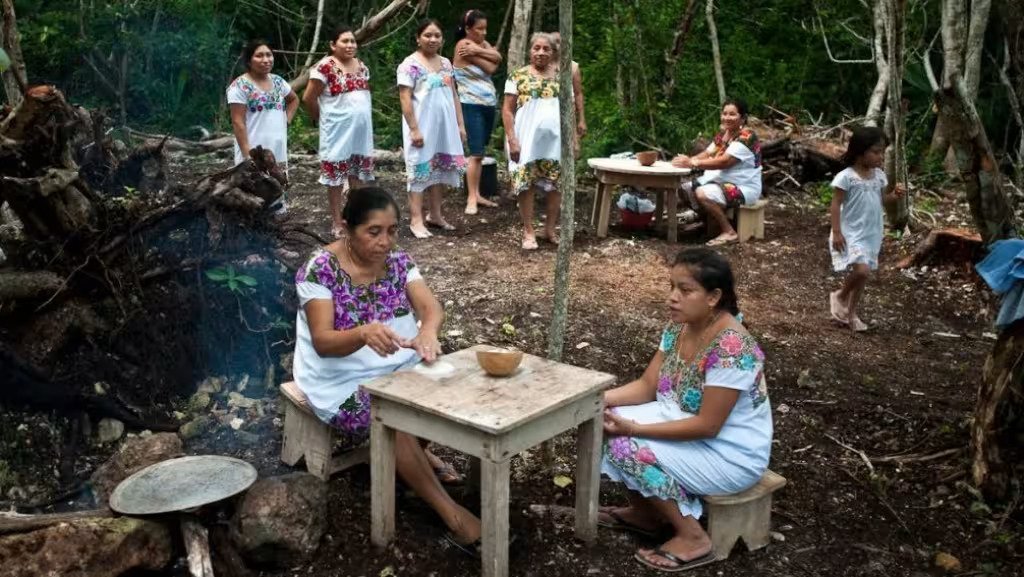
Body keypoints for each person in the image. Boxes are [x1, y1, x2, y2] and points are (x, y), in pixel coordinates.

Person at [292, 187, 479, 540]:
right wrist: (362, 334)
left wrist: (428, 332)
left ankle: (414, 461)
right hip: (339, 382)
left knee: (452, 387)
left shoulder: (398, 262)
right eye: (373, 231)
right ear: (347, 228)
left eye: (392, 231)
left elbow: (430, 307)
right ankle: (452, 516)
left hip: (399, 366)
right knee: (393, 415)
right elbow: (323, 342)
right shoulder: (320, 271)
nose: (385, 241)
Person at [598, 247, 772, 572]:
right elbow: (648, 386)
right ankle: (646, 515)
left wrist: (634, 429)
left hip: (730, 454)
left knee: (625, 445)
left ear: (713, 297)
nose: (673, 298)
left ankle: (693, 537)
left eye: (686, 289)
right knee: (602, 421)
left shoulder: (731, 349)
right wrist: (597, 400)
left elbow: (708, 426)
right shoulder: (680, 327)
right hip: (684, 425)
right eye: (671, 287)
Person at [828, 126, 904, 332]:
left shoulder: (879, 176)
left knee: (864, 273)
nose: (880, 157)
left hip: (872, 232)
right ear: (861, 152)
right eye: (876, 152)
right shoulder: (847, 177)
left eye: (882, 152)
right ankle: (840, 295)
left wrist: (894, 197)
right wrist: (836, 231)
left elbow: (880, 200)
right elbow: (835, 204)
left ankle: (851, 314)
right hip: (850, 231)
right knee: (861, 271)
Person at [303, 26, 375, 239]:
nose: (350, 45)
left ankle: (355, 217)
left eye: (353, 41)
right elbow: (308, 98)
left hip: (361, 132)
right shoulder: (324, 67)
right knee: (335, 177)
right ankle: (337, 221)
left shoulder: (361, 66)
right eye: (345, 41)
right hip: (336, 131)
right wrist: (321, 118)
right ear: (333, 45)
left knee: (357, 175)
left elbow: (364, 94)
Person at [398, 19, 468, 239]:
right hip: (422, 128)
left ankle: (435, 215)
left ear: (442, 39)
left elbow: (454, 95)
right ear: (418, 38)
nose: (433, 39)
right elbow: (405, 98)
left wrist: (460, 124)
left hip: (445, 128)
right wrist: (414, 129)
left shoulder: (447, 64)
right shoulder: (409, 65)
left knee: (439, 170)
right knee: (419, 172)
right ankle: (416, 220)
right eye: (427, 35)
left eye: (437, 35)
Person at [502, 33, 565, 250]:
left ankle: (549, 228)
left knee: (556, 184)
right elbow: (508, 111)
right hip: (525, 140)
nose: (540, 52)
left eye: (546, 49)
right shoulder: (517, 76)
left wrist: (573, 139)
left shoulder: (561, 77)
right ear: (530, 51)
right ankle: (528, 230)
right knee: (525, 183)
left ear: (553, 52)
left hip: (555, 143)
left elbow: (570, 111)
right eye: (536, 48)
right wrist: (512, 139)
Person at [671, 98, 762, 246]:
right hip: (720, 181)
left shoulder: (747, 137)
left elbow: (724, 162)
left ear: (743, 118)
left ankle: (729, 232)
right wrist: (687, 161)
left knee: (702, 193)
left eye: (732, 114)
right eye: (724, 113)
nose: (727, 117)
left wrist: (694, 163)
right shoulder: (724, 134)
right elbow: (708, 153)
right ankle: (707, 222)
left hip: (744, 187)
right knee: (684, 190)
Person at [227, 40, 299, 213]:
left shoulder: (279, 82)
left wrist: (286, 121)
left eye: (269, 55)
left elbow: (294, 100)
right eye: (259, 55)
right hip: (254, 150)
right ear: (249, 60)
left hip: (277, 148)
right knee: (253, 194)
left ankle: (276, 231)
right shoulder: (240, 86)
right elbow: (238, 121)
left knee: (277, 188)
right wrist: (247, 156)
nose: (266, 59)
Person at [453, 9, 502, 215]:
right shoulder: (463, 45)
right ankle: (471, 198)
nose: (483, 33)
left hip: (488, 104)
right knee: (475, 153)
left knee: (481, 152)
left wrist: (479, 51)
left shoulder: (479, 45)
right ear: (467, 29)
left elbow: (498, 57)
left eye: (485, 29)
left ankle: (478, 194)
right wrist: (484, 54)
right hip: (470, 103)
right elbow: (491, 68)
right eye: (478, 29)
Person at [549, 31, 586, 141]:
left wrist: (582, 120)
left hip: (567, 112)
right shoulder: (539, 67)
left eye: (558, 42)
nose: (556, 45)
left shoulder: (572, 67)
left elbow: (578, 93)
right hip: (545, 112)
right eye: (552, 42)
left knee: (571, 145)